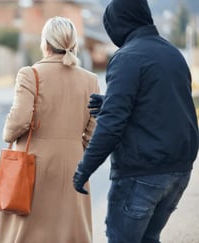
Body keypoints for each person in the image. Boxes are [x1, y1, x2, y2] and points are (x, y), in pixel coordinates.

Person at [73, 0, 199, 242]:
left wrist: (83, 170)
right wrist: (111, 102)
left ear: (118, 24)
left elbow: (111, 125)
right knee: (149, 238)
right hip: (179, 171)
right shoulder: (173, 53)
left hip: (142, 172)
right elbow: (160, 102)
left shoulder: (127, 57)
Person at [0, 16, 100, 243]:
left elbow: (19, 120)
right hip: (74, 163)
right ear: (74, 44)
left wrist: (8, 135)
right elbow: (93, 132)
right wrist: (72, 146)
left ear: (45, 43)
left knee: (28, 232)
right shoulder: (90, 80)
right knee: (69, 229)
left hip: (34, 163)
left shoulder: (30, 75)